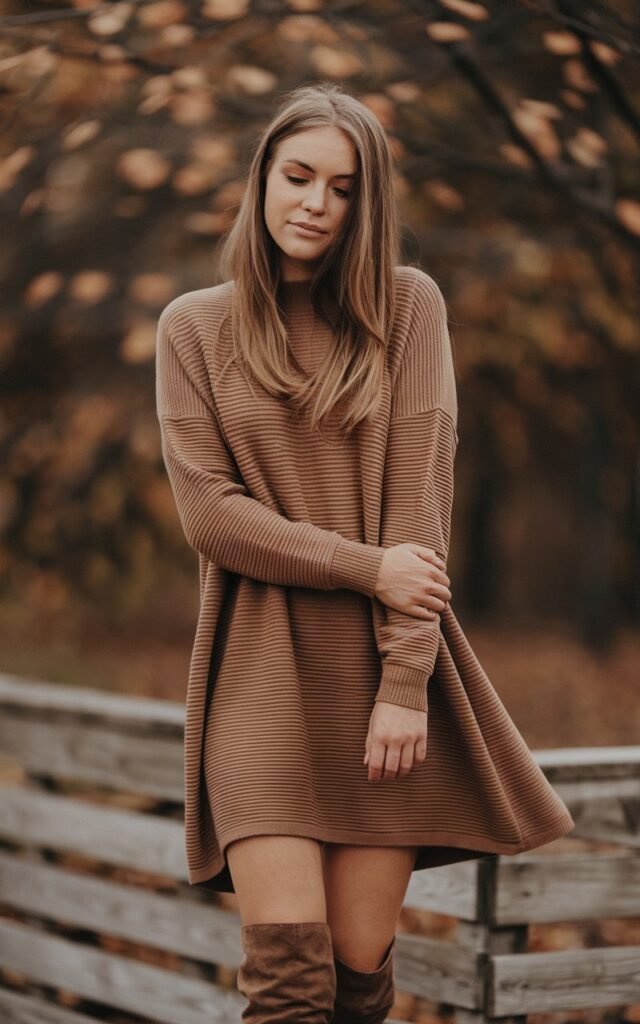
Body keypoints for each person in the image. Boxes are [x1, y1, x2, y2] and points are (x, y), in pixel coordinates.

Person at [155, 81, 575, 1023]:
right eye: (298, 176)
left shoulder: (409, 308)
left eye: (342, 188)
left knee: (354, 971)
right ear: (261, 179)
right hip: (255, 676)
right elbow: (212, 517)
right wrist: (363, 564)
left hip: (384, 677)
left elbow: (419, 505)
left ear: (367, 203)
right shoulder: (191, 326)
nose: (315, 203)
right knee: (287, 973)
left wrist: (401, 684)